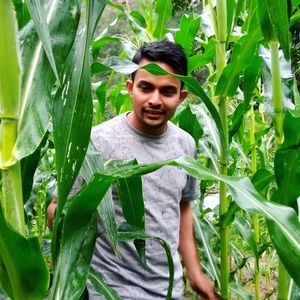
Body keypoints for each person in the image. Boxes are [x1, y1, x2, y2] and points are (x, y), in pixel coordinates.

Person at [48, 40, 218, 300]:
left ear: (182, 96)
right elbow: (58, 213)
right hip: (110, 292)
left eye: (167, 91)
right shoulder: (96, 143)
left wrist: (194, 272)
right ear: (130, 88)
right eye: (145, 87)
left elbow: (183, 207)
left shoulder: (185, 144)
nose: (155, 100)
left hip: (168, 290)